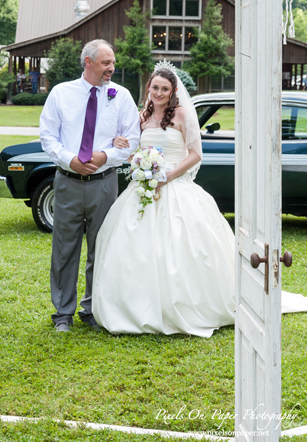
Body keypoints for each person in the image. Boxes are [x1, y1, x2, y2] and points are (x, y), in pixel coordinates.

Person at [93, 63, 307, 335]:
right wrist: (124, 146)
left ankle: (185, 305)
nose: (158, 93)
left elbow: (195, 154)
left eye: (164, 89)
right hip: (143, 187)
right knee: (134, 249)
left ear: (173, 92)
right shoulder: (141, 117)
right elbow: (132, 146)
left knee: (183, 248)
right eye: (155, 87)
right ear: (149, 88)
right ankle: (137, 306)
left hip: (174, 184)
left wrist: (166, 176)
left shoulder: (182, 115)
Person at [39, 39, 141, 332]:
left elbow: (131, 139)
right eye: (106, 63)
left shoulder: (121, 96)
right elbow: (48, 136)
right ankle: (62, 313)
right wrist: (70, 159)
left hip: (104, 182)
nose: (112, 68)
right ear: (88, 62)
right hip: (68, 181)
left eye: (112, 62)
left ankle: (94, 309)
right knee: (64, 248)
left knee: (103, 247)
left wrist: (105, 155)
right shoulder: (61, 93)